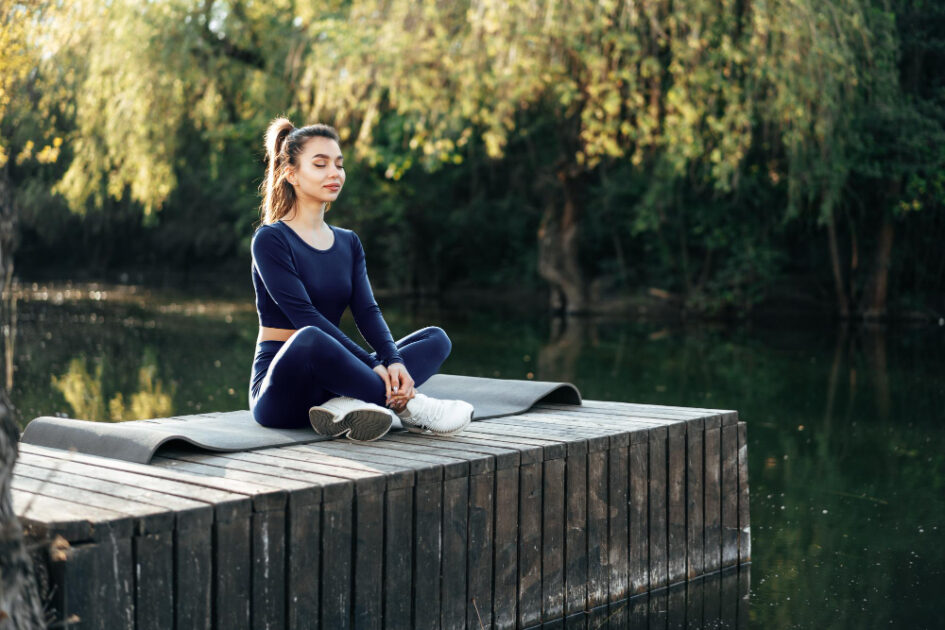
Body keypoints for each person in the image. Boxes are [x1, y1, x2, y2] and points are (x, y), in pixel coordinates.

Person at [249, 118, 473, 441]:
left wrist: (392, 360)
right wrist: (373, 364)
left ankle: (346, 401)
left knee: (437, 339)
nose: (334, 174)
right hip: (282, 390)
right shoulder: (270, 240)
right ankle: (412, 408)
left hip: (333, 379)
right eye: (320, 164)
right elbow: (304, 317)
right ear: (291, 174)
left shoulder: (348, 242)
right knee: (310, 336)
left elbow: (367, 312)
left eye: (339, 165)